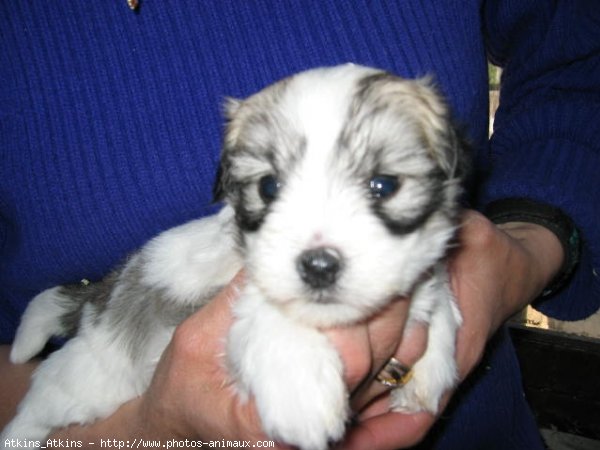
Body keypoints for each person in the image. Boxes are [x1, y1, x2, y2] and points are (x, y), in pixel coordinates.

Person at [1, 1, 598, 449]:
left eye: (382, 186)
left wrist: (530, 243)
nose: (319, 249)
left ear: (449, 167)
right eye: (270, 187)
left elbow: (574, 63)